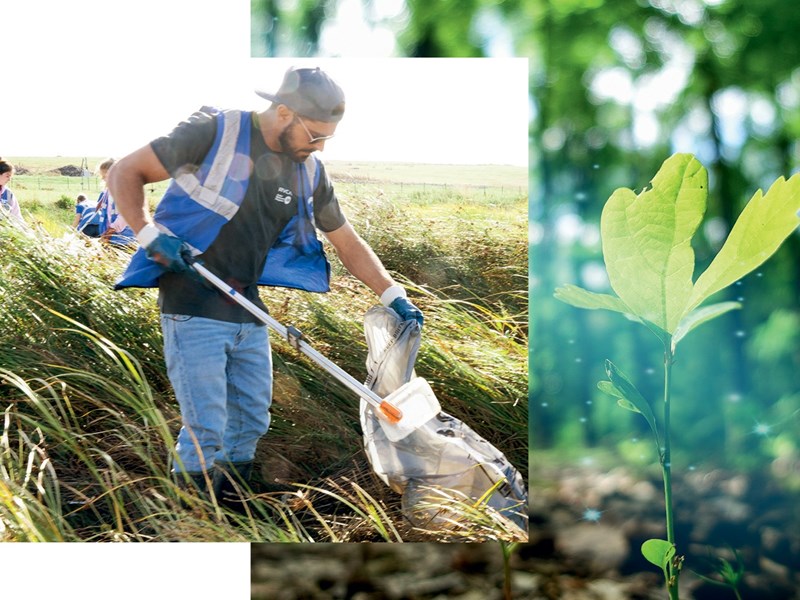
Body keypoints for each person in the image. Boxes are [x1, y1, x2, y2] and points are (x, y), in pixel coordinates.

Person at [109, 66, 423, 507]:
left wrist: (394, 296)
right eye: (314, 135)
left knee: (252, 419)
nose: (319, 147)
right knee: (206, 426)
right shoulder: (214, 133)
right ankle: (190, 519)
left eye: (327, 138)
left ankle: (232, 507)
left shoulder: (308, 171)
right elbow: (125, 171)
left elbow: (347, 242)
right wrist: (147, 233)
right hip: (191, 301)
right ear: (283, 112)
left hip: (247, 309)